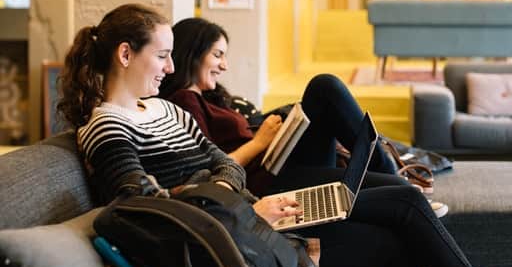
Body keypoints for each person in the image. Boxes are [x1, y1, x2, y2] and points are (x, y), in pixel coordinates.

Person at [57, 3, 488, 267]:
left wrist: (239, 201)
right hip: (231, 233)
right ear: (126, 55)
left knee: (400, 223)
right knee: (406, 206)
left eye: (172, 56)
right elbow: (143, 208)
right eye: (162, 55)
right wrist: (240, 210)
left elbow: (227, 166)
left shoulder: (168, 112)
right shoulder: (106, 125)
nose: (170, 67)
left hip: (254, 215)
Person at [159, 17, 448, 217]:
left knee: (322, 96)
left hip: (276, 166)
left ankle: (395, 180)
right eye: (217, 55)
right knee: (324, 87)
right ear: (194, 54)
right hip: (267, 183)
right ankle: (396, 179)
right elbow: (209, 171)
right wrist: (260, 142)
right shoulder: (185, 101)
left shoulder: (208, 98)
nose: (224, 65)